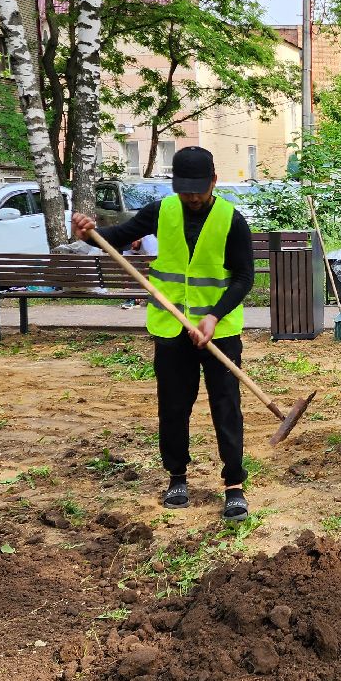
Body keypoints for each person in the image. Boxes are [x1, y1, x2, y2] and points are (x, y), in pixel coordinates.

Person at [71, 146, 256, 520]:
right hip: (171, 329)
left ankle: (233, 485)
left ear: (213, 183)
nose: (190, 197)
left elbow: (243, 278)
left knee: (226, 406)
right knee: (173, 406)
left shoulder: (231, 220)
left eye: (197, 190)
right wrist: (90, 233)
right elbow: (117, 237)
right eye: (184, 189)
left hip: (218, 332)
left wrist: (214, 317)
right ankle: (177, 477)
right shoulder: (162, 211)